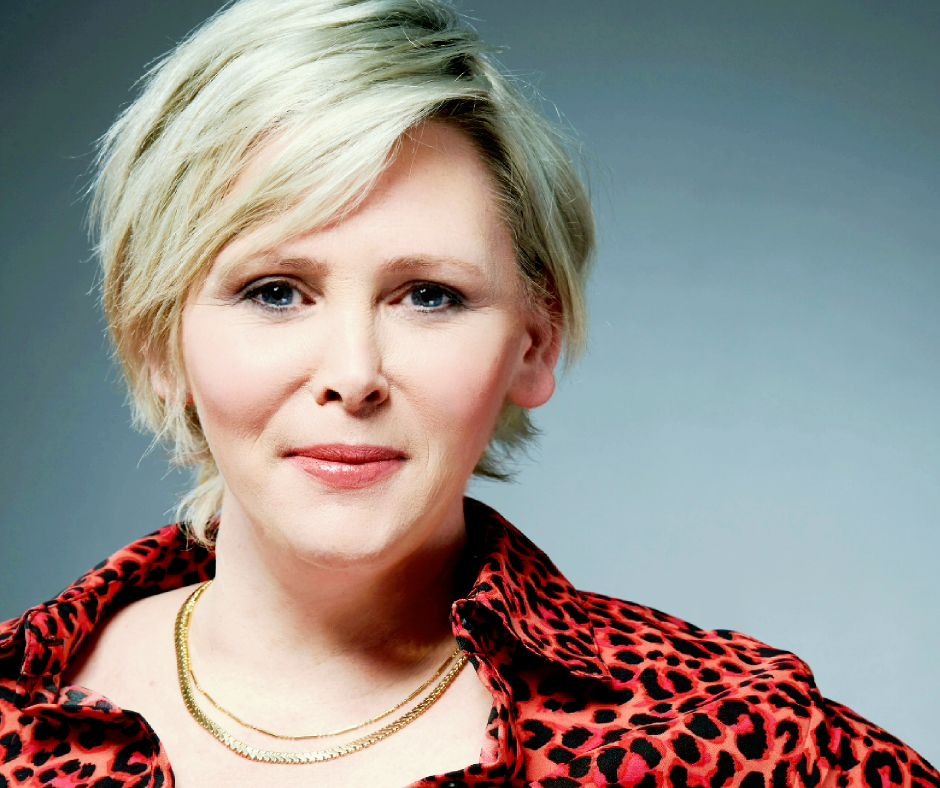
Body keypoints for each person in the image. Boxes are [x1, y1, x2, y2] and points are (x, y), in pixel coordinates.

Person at [0, 0, 936, 785]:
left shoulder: (737, 740)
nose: (353, 374)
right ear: (156, 342)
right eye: (275, 292)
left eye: (429, 296)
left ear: (536, 342)